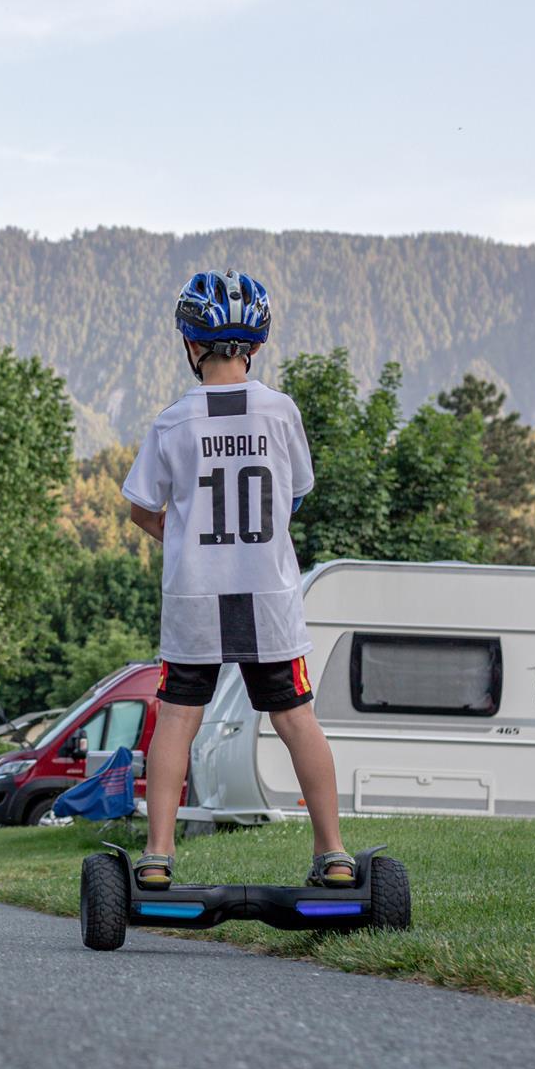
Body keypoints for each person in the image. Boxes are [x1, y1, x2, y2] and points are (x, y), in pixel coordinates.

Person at [121, 270, 354, 889]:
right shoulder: (281, 411)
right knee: (296, 717)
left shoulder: (174, 421)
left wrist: (183, 535)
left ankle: (157, 857)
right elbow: (295, 493)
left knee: (178, 719)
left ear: (191, 344)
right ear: (254, 345)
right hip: (268, 594)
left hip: (196, 594)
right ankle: (333, 853)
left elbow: (141, 507)